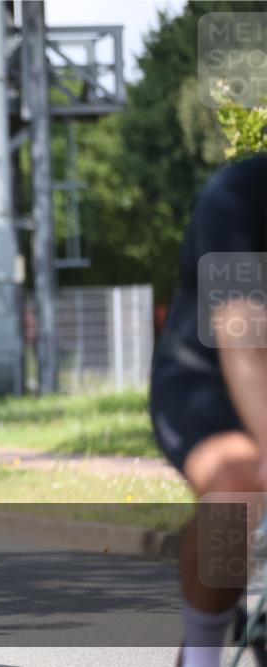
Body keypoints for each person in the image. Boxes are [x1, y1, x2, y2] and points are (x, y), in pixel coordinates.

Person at [149, 153, 267, 667]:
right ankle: (200, 654)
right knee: (237, 480)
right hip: (207, 377)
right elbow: (245, 346)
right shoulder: (238, 197)